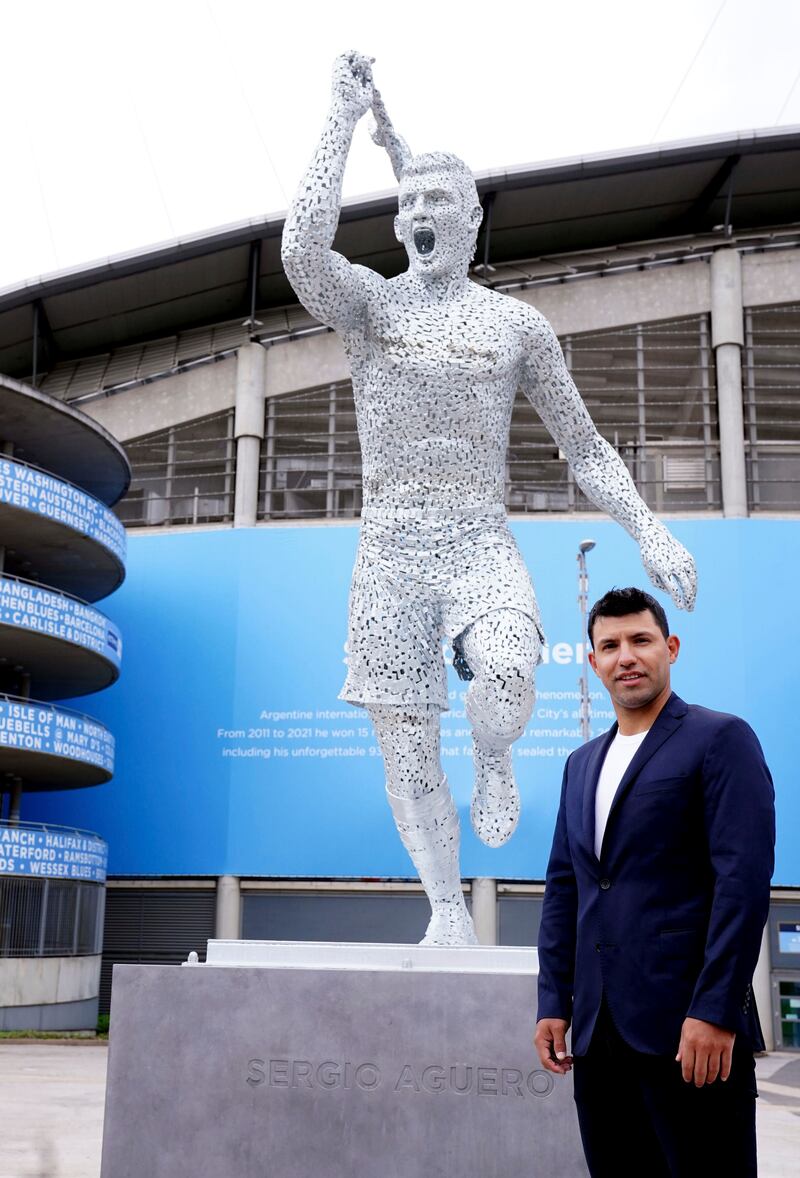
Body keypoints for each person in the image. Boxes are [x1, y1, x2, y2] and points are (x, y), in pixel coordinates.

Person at [281, 51, 697, 946]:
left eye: (440, 203)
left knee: (508, 669)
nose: (421, 214)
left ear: (470, 222)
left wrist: (648, 531)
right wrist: (341, 120)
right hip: (389, 548)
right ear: (398, 222)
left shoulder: (516, 326)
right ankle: (444, 911)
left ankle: (498, 750)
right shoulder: (370, 309)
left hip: (477, 542)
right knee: (406, 743)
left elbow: (584, 445)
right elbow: (300, 251)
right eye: (410, 204)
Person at [534, 586, 775, 1177]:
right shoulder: (580, 762)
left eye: (640, 640)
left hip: (689, 1033)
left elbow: (741, 885)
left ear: (670, 647)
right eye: (610, 645)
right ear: (593, 663)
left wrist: (716, 1010)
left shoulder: (720, 738)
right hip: (597, 1035)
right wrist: (552, 1002)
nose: (626, 656)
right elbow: (566, 888)